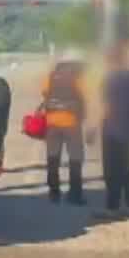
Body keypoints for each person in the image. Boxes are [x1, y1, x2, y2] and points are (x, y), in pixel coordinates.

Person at [95, 38, 129, 217]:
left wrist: (93, 128)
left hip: (112, 129)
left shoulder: (110, 79)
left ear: (110, 60)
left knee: (111, 169)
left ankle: (113, 206)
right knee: (127, 167)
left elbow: (105, 106)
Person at [38, 50, 90, 204]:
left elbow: (44, 92)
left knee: (53, 157)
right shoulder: (78, 77)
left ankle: (54, 192)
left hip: (52, 122)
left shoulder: (51, 76)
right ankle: (75, 193)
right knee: (75, 158)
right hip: (71, 123)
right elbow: (85, 94)